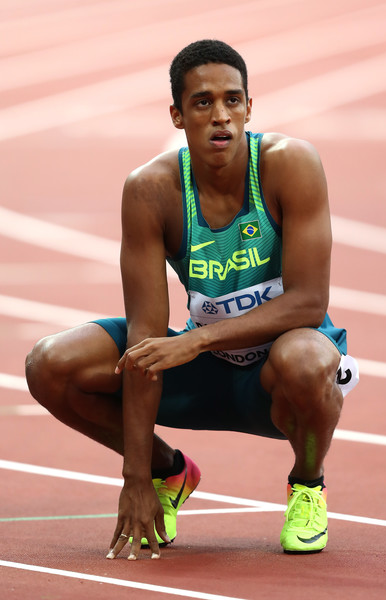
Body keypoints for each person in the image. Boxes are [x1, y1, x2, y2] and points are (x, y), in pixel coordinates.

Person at [25, 39, 359, 560]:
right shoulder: (151, 190)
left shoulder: (289, 164)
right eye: (203, 102)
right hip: (203, 372)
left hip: (276, 376)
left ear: (249, 107)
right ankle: (170, 472)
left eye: (232, 100)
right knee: (50, 364)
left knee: (310, 358)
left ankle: (308, 484)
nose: (220, 115)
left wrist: (197, 340)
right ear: (177, 116)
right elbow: (145, 334)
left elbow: (309, 303)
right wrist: (136, 475)